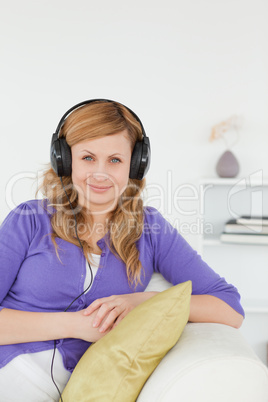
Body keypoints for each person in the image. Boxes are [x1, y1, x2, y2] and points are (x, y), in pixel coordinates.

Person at [0, 99, 244, 401]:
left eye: (115, 160)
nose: (100, 173)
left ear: (135, 164)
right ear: (64, 159)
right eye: (88, 157)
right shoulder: (29, 219)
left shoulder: (151, 229)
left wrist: (144, 301)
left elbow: (230, 309)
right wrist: (77, 326)